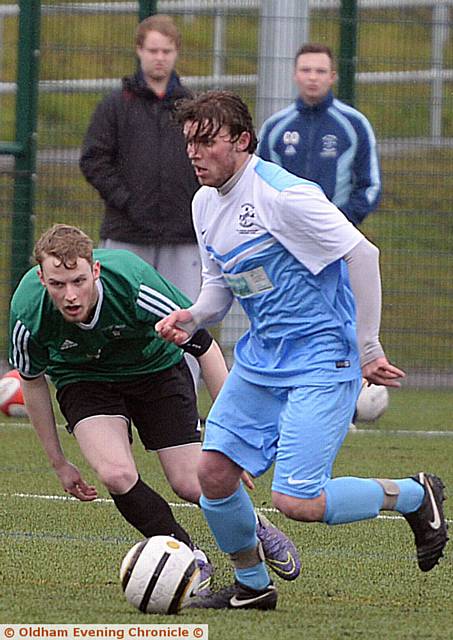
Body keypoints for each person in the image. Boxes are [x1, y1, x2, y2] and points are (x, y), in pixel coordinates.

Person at [156, 90, 448, 610]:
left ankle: (413, 494)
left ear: (242, 141)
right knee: (213, 474)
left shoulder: (284, 195)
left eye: (207, 142)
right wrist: (194, 315)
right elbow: (221, 286)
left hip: (321, 357)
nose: (195, 154)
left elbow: (363, 253)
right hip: (262, 357)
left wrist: (368, 346)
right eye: (189, 144)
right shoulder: (204, 203)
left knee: (297, 501)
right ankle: (251, 586)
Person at [9, 223, 301, 594]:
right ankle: (188, 557)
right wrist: (58, 462)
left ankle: (254, 525)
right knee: (115, 474)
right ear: (41, 277)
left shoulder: (134, 284)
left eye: (79, 281)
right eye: (57, 284)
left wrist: (233, 438)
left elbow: (205, 348)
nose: (70, 295)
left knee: (191, 483)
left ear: (95, 270)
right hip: (84, 379)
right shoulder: (27, 310)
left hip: (156, 370)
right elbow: (32, 380)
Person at [79, 15, 201, 382]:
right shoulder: (116, 106)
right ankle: (118, 387)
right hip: (127, 234)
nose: (159, 58)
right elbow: (93, 160)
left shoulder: (192, 106)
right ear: (139, 51)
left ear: (176, 52)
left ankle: (184, 399)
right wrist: (129, 202)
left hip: (184, 236)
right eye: (152, 50)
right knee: (121, 312)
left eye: (166, 50)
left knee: (186, 316)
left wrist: (194, 207)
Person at [257, 43, 381, 226]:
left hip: (336, 234)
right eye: (305, 70)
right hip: (284, 234)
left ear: (332, 77)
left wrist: (340, 222)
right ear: (295, 75)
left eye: (320, 71)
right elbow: (260, 184)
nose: (312, 77)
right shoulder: (274, 128)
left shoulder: (355, 124)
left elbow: (370, 185)